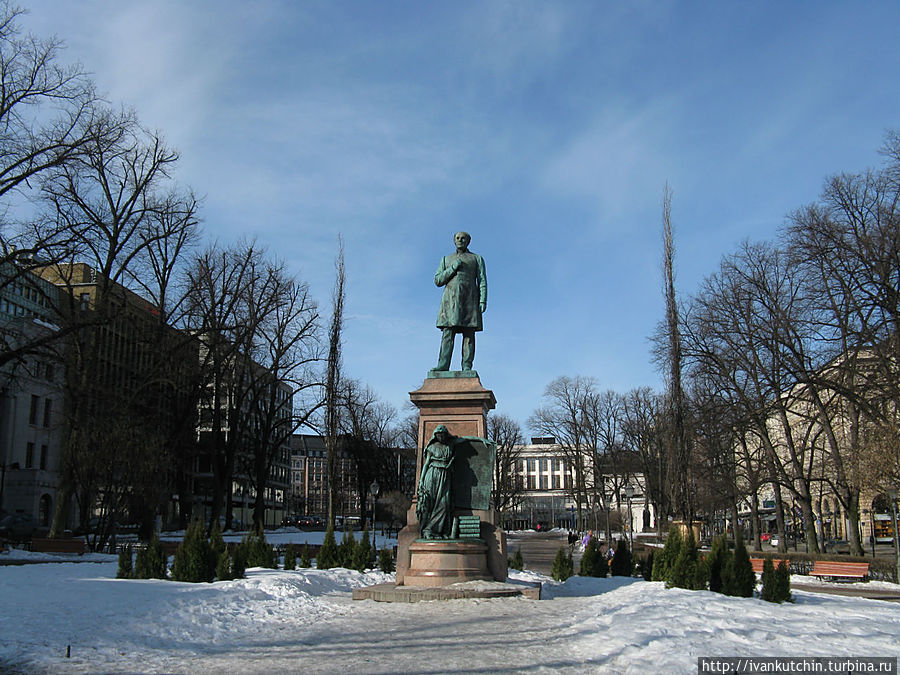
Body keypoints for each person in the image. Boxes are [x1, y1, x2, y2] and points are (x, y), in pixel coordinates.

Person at [433, 231, 487, 372]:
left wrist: (483, 300)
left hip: (469, 299)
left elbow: (482, 280)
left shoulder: (476, 258)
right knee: (448, 333)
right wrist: (452, 268)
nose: (460, 240)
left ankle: (467, 365)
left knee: (469, 333)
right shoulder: (446, 259)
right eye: (457, 238)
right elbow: (438, 280)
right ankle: (443, 365)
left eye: (463, 238)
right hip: (450, 301)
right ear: (454, 240)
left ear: (468, 241)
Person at [416, 425, 459, 539]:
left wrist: (482, 440)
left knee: (444, 504)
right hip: (433, 475)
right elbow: (426, 464)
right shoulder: (432, 447)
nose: (440, 437)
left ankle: (440, 529)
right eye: (438, 435)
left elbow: (466, 440)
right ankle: (428, 530)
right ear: (435, 435)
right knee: (430, 504)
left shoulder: (450, 445)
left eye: (443, 435)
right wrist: (421, 480)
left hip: (445, 476)